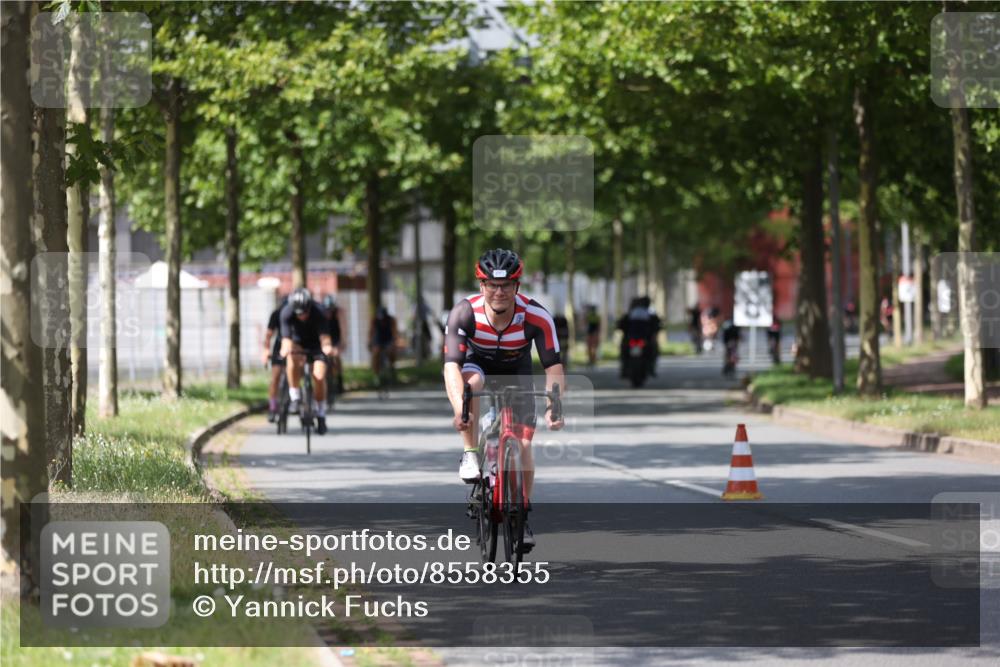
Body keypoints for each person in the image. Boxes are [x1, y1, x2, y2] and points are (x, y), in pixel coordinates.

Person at [443, 248, 565, 552]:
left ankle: (521, 515)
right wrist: (461, 410)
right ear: (481, 286)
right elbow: (450, 367)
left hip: (516, 370)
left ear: (517, 287)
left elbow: (554, 368)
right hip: (476, 365)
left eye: (506, 285)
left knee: (523, 444)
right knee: (473, 383)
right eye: (492, 285)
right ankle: (471, 452)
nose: (499, 292)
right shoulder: (465, 312)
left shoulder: (536, 316)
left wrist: (555, 407)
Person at [279, 288, 336, 435]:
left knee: (319, 376)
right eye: (299, 313)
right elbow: (286, 339)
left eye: (305, 312)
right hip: (297, 344)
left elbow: (325, 338)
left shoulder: (320, 311)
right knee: (291, 358)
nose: (302, 316)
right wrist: (285, 349)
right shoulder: (286, 312)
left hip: (316, 345)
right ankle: (295, 396)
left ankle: (321, 413)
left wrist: (327, 347)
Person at [263, 294, 288, 423]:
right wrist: (266, 351)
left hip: (294, 345)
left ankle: (300, 399)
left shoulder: (295, 315)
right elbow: (268, 335)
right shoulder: (275, 314)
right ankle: (272, 407)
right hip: (279, 346)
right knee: (275, 377)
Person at [321, 294, 345, 397]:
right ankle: (325, 382)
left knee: (336, 356)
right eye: (327, 310)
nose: (328, 313)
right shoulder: (321, 314)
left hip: (336, 337)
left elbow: (343, 328)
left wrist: (342, 342)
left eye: (330, 310)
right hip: (324, 337)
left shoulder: (338, 313)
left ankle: (339, 380)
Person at [369, 306, 398, 378]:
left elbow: (394, 332)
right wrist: (370, 342)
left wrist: (394, 342)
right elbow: (371, 332)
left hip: (388, 338)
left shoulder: (391, 320)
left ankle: (392, 367)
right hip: (378, 339)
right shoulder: (374, 320)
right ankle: (376, 374)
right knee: (376, 353)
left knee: (391, 351)